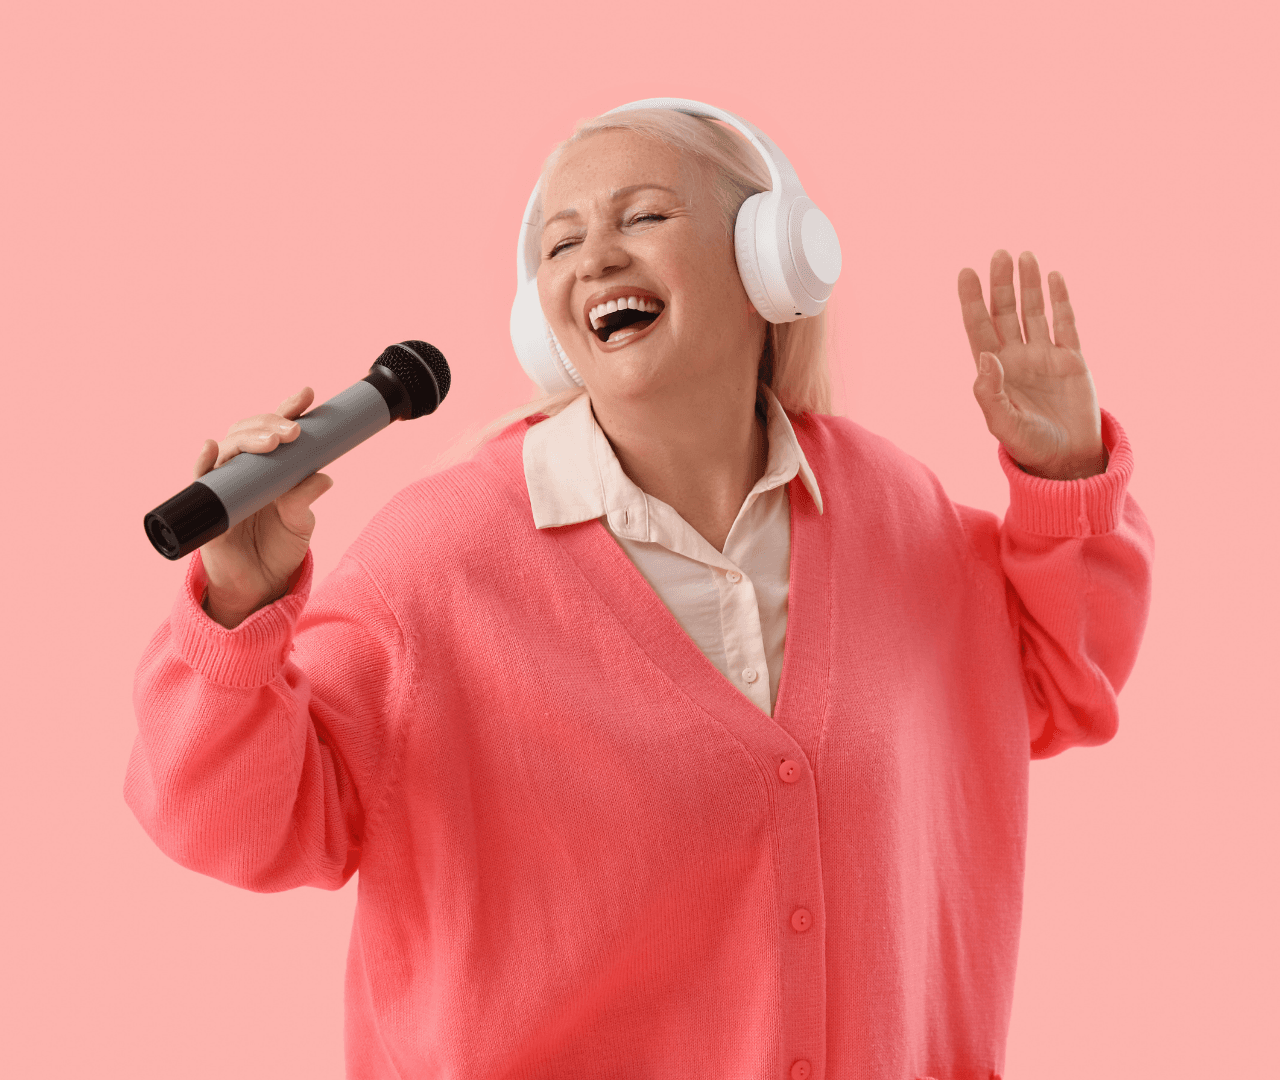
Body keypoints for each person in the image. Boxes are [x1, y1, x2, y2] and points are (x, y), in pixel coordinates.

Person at [127, 102, 1153, 1080]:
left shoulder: (892, 508)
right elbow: (233, 827)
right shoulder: (438, 560)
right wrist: (236, 614)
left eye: (643, 217)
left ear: (767, 260)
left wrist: (1063, 476)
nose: (594, 258)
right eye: (561, 242)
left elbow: (1057, 682)